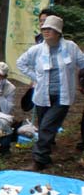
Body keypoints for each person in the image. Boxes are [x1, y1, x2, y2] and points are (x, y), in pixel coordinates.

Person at [17, 15, 84, 170]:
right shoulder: (37, 50)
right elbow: (21, 63)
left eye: (50, 29)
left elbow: (82, 63)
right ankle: (45, 157)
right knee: (45, 127)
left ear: (58, 32)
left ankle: (38, 160)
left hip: (62, 96)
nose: (46, 32)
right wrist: (36, 77)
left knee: (47, 126)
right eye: (44, 29)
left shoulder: (70, 47)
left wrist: (80, 82)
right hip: (42, 96)